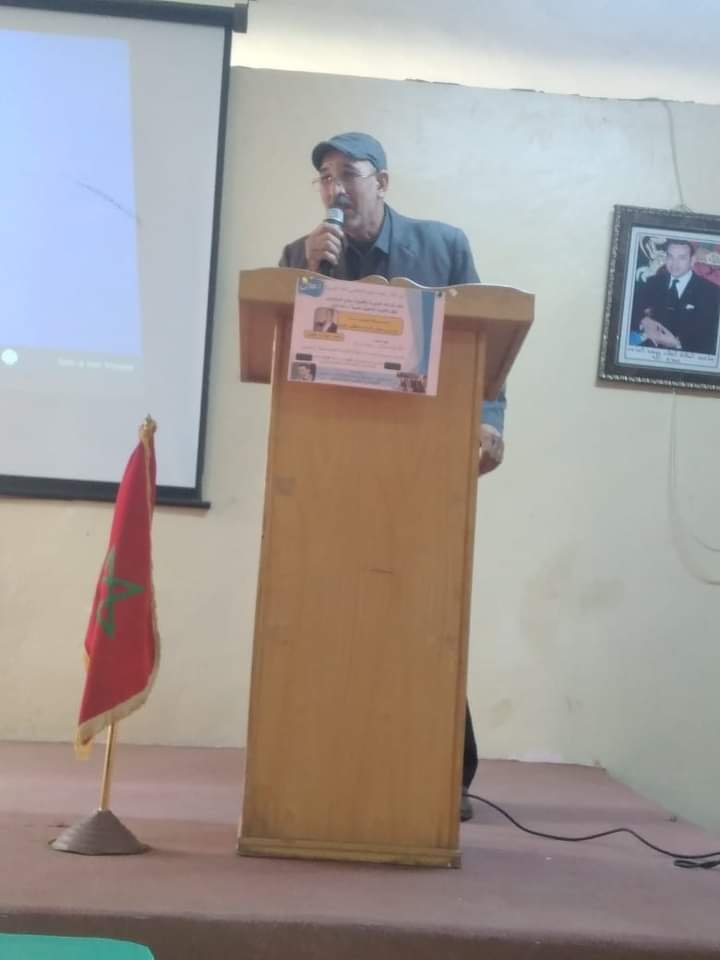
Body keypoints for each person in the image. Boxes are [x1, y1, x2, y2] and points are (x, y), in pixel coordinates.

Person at [280, 132, 506, 820]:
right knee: (330, 611)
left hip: (424, 460)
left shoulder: (442, 246)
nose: (334, 187)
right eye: (324, 177)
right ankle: (330, 756)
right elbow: (281, 349)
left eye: (347, 172)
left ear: (382, 180)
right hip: (330, 463)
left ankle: (444, 770)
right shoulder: (301, 257)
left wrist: (486, 422)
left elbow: (486, 343)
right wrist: (308, 276)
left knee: (423, 608)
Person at [631, 239, 720, 355]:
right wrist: (643, 320)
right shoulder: (653, 282)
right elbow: (630, 311)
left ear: (692, 260)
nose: (674, 264)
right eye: (670, 257)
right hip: (650, 351)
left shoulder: (711, 291)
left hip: (689, 356)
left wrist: (677, 345)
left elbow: (711, 338)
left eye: (681, 258)